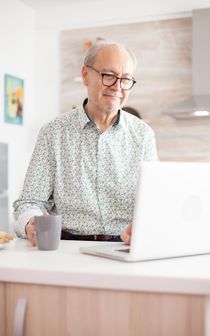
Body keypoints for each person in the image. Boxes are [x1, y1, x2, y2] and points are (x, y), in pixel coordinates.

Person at [13, 40, 158, 246]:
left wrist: (145, 224)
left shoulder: (143, 134)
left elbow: (154, 201)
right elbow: (29, 202)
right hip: (67, 247)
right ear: (85, 75)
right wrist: (30, 224)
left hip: (124, 247)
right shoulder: (53, 133)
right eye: (108, 76)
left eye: (125, 79)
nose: (117, 87)